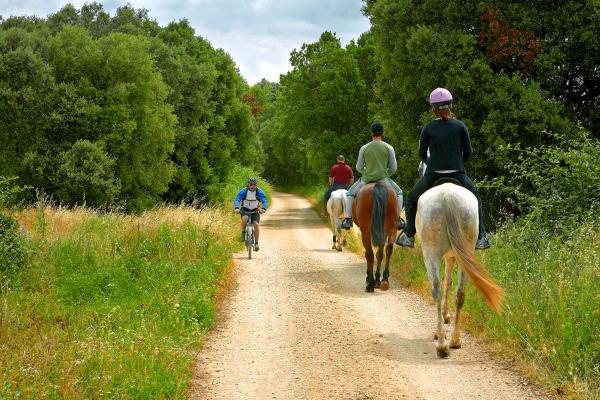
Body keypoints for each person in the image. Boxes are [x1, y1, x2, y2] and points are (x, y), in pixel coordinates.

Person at [395, 87, 490, 250]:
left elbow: (421, 153)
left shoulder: (428, 128)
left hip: (433, 175)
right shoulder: (460, 126)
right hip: (457, 174)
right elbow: (469, 152)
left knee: (410, 201)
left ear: (433, 109)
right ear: (450, 106)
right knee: (477, 200)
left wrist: (431, 163)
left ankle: (409, 235)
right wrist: (458, 163)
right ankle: (482, 237)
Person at [341, 121, 404, 230]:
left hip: (366, 180)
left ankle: (348, 219)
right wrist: (384, 173)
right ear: (382, 133)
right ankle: (397, 219)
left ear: (371, 133)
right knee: (399, 193)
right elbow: (393, 168)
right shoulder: (389, 147)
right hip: (384, 179)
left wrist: (367, 171)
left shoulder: (364, 148)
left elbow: (359, 167)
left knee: (350, 193)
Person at [234, 177, 268, 251]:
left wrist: (264, 208)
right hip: (245, 209)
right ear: (248, 184)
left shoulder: (259, 191)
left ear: (256, 185)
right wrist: (236, 208)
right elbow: (237, 199)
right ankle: (243, 232)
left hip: (255, 210)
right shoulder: (244, 191)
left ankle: (256, 243)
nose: (252, 186)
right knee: (244, 218)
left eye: (254, 184)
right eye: (251, 184)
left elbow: (264, 200)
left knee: (256, 224)